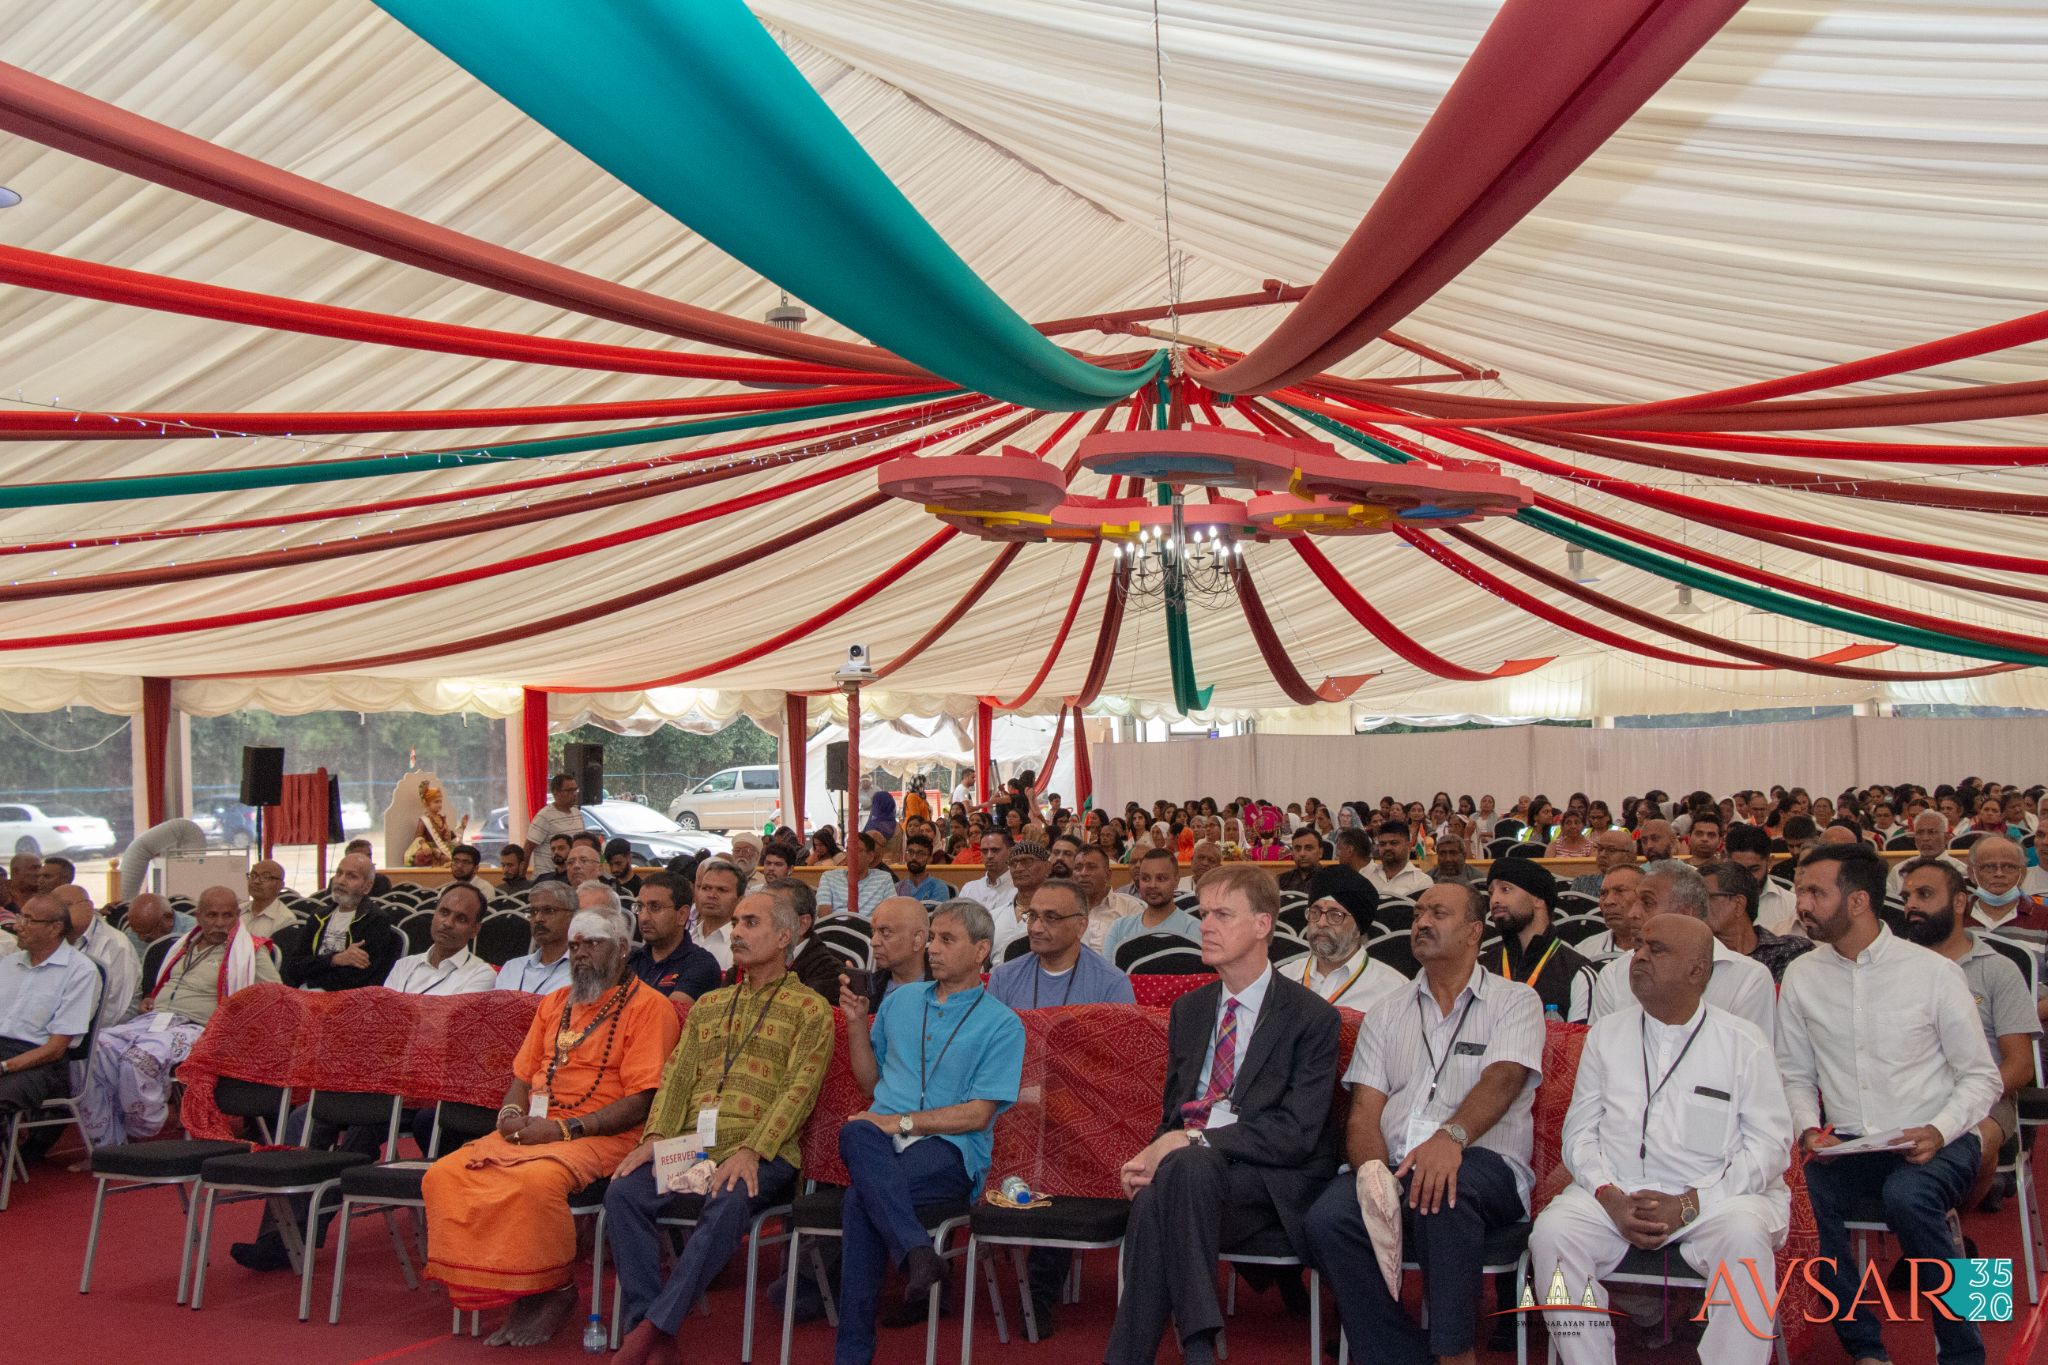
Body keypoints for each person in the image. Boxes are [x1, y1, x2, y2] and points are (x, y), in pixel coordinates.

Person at [1530, 914, 1792, 1365]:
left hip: (1715, 1201)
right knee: (1552, 1233)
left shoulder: (1742, 1042)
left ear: (1697, 971)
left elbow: (1769, 1148)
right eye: (1639, 946)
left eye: (1657, 949)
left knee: (1746, 1237)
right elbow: (1579, 1133)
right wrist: (1608, 1195)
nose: (1640, 957)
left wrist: (1691, 1204)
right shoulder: (1606, 1035)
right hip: (1617, 1194)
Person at [1106, 866, 1340, 1365]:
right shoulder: (1189, 1010)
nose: (1205, 925)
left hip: (1268, 1181)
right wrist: (1155, 1152)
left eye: (1222, 914)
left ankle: (1166, 1351)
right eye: (1203, 913)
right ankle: (1194, 1345)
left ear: (1262, 925)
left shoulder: (1311, 1018)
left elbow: (1295, 1135)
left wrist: (1187, 1143)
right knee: (1161, 1192)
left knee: (1177, 1177)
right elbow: (1176, 1113)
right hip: (1198, 1182)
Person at [1780, 842, 2001, 1365]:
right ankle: (1865, 1348)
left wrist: (1939, 1130)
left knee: (1909, 1196)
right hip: (1850, 1143)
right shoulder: (1802, 975)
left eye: (1815, 891)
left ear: (1858, 901)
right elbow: (1792, 1072)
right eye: (1799, 891)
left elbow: (1981, 1077)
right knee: (1801, 1195)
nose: (1802, 904)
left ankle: (1969, 1351)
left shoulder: (1933, 973)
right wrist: (1809, 1128)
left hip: (1938, 1137)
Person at [1305, 879, 1542, 1365]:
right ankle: (1397, 1354)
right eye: (1416, 915)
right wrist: (1370, 1173)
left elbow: (1503, 1079)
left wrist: (1449, 1138)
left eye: (1438, 913)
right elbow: (1366, 1109)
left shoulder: (1515, 1001)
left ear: (1475, 931)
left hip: (1485, 1162)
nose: (1422, 923)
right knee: (1328, 1219)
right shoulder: (1387, 1011)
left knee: (1439, 1189)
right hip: (1395, 1164)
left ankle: (1455, 1353)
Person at [421, 904, 681, 1347]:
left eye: (592, 944)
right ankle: (509, 1287)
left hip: (605, 1135)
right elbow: (522, 1077)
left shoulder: (649, 1008)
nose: (580, 954)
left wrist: (566, 1131)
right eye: (575, 945)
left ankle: (553, 1288)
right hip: (539, 1129)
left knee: (534, 1182)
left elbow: (643, 1099)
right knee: (444, 1174)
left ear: (621, 951)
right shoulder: (555, 1003)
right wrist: (508, 1117)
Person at [607, 888, 834, 1365]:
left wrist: (752, 1149)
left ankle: (650, 1329)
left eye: (750, 922)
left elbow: (800, 1091)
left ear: (785, 935)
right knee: (625, 1190)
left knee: (728, 1197)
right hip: (691, 1151)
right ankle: (651, 1328)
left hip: (761, 1155)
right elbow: (676, 1078)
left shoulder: (810, 1009)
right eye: (735, 922)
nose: (736, 931)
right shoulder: (710, 1006)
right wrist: (653, 1141)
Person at [833, 899, 1024, 1363]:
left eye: (946, 940)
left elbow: (978, 1115)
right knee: (854, 1132)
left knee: (861, 1199)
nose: (932, 949)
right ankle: (918, 1250)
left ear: (981, 951)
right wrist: (857, 1025)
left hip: (949, 1150)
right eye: (932, 938)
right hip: (878, 1143)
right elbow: (872, 1084)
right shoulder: (899, 1001)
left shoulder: (1002, 1023)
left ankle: (853, 1353)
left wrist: (898, 1123)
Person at [78, 886, 279, 1147]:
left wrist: (238, 1015)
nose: (219, 923)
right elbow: (167, 988)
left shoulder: (250, 950)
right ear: (198, 915)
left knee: (137, 1060)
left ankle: (143, 1129)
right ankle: (106, 1143)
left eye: (227, 916)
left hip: (201, 1028)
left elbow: (277, 997)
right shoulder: (184, 945)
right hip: (157, 1020)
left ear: (237, 916)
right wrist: (152, 999)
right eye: (212, 915)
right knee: (95, 1048)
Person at [1898, 855, 2040, 1212]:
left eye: (1924, 895)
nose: (1912, 905)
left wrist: (1963, 1104)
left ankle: (1961, 1236)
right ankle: (1933, 1241)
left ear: (1960, 902)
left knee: (1977, 1143)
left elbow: (2021, 1066)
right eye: (1907, 898)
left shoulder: (1997, 970)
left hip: (1988, 1100)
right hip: (1906, 1094)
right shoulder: (1891, 968)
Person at [1588, 860, 1777, 1043]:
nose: (1632, 914)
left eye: (1647, 902)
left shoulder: (1749, 979)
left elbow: (1746, 1062)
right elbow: (1602, 1056)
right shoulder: (1614, 975)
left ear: (1686, 914)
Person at [0, 893, 102, 1128]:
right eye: (20, 917)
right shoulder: (8, 964)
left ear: (55, 928)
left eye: (28, 920)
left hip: (40, 1062)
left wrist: (5, 1067)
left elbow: (55, 1049)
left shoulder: (80, 971)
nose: (18, 927)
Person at [990, 878, 1136, 1010]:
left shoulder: (1112, 984)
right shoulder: (1003, 978)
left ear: (1081, 926)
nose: (1036, 928)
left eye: (1051, 917)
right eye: (1033, 916)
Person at [1485, 859, 1595, 1022]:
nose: (1494, 900)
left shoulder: (1576, 972)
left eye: (1505, 889)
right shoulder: (1482, 967)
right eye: (1491, 892)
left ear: (1538, 899)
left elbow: (1579, 1045)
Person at [279, 853, 403, 992]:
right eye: (339, 873)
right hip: (306, 992)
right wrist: (334, 959)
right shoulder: (318, 917)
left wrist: (313, 976)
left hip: (346, 999)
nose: (341, 881)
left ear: (367, 887)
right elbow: (293, 967)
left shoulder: (375, 920)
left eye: (351, 876)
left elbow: (358, 978)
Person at [1293, 867, 1408, 1013]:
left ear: (1358, 928)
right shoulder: (1282, 979)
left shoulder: (1393, 990)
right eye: (1315, 912)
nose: (1321, 923)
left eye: (1335, 915)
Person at [1699, 859, 1813, 984]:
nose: (1696, 905)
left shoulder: (1790, 951)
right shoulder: (1695, 958)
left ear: (1738, 904)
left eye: (1704, 897)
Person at [382, 882, 498, 995]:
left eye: (461, 919)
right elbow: (383, 1010)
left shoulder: (481, 975)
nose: (448, 923)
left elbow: (451, 1014)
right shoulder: (403, 965)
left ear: (475, 929)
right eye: (444, 912)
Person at [626, 872, 720, 1002]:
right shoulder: (631, 960)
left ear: (682, 915)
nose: (644, 917)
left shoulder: (701, 965)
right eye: (640, 907)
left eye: (655, 907)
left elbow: (667, 1016)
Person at [55, 885, 138, 1031]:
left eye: (65, 906)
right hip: (56, 1027)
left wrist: (64, 1034)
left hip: (103, 1033)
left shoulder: (116, 945)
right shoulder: (54, 938)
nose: (57, 914)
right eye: (53, 908)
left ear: (89, 907)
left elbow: (113, 1009)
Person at [1102, 847, 1200, 960]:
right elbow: (1108, 974)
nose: (1152, 885)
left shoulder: (1193, 928)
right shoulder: (1119, 928)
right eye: (1145, 878)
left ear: (1176, 880)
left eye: (1161, 878)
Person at [496, 878, 574, 994]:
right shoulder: (512, 967)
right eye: (533, 912)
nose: (538, 919)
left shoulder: (582, 972)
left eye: (548, 910)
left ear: (571, 916)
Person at [854, 897, 930, 1011]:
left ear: (917, 940)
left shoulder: (947, 990)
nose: (873, 942)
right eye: (873, 932)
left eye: (885, 932)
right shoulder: (869, 992)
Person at [1965, 834, 2048, 934]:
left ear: (2022, 873)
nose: (1999, 874)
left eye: (2009, 867)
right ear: (1971, 873)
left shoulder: (2045, 918)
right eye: (1989, 867)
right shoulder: (1953, 915)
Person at [1722, 824, 1797, 934]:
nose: (1746, 877)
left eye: (1753, 869)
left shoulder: (1791, 905)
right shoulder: (1712, 901)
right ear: (1726, 861)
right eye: (1738, 869)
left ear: (1769, 862)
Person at [1074, 845, 1143, 955]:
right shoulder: (1064, 910)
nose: (1083, 873)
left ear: (1108, 874)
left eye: (1091, 867)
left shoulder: (1130, 909)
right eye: (1078, 868)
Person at [120, 892, 194, 983]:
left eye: (148, 933)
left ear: (168, 919)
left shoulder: (193, 932)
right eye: (137, 932)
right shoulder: (131, 933)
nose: (141, 938)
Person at [1577, 864, 1644, 963]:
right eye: (1603, 893)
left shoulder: (1668, 950)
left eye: (1620, 891)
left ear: (1644, 898)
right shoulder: (1584, 951)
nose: (1608, 901)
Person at [524, 771, 584, 876]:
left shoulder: (577, 813)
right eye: (569, 790)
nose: (574, 794)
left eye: (575, 790)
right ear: (556, 792)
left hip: (570, 876)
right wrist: (521, 878)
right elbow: (527, 849)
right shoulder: (544, 816)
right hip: (547, 878)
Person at [690, 860, 743, 971]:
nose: (712, 895)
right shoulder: (688, 938)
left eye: (722, 890)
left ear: (740, 899)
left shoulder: (742, 944)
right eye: (706, 888)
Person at [404, 778, 469, 867]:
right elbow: (418, 836)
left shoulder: (442, 819)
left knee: (465, 852)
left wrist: (462, 827)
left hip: (445, 847)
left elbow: (451, 837)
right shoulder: (424, 820)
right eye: (436, 802)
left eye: (440, 802)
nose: (439, 805)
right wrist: (423, 844)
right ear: (426, 803)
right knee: (431, 856)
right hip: (433, 849)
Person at [1365, 820, 1433, 900]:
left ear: (1408, 846)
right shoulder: (1367, 876)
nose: (1387, 848)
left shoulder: (1421, 882)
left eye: (1394, 843)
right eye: (1382, 844)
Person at [1569, 830, 1637, 898]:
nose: (1602, 855)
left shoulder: (1640, 886)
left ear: (1629, 856)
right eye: (1600, 849)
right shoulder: (1582, 883)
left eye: (1611, 850)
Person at [240, 860, 296, 939]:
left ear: (280, 885)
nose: (256, 881)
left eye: (265, 877)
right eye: (253, 875)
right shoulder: (238, 910)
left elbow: (277, 951)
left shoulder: (286, 920)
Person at [894, 833, 953, 903]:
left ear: (930, 858)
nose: (914, 857)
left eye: (920, 853)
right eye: (910, 852)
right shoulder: (897, 888)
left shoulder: (938, 887)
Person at [1277, 828, 1325, 897]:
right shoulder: (1282, 880)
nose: (1302, 854)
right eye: (1298, 849)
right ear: (1292, 852)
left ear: (1320, 852)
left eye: (1308, 848)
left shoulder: (1330, 880)